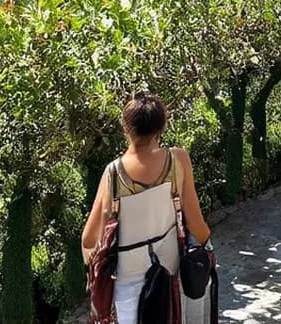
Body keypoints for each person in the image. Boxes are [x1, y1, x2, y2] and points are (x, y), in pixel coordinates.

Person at [81, 93, 211, 323]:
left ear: (125, 127)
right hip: (168, 285)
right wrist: (206, 248)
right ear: (162, 126)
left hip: (126, 292)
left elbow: (89, 240)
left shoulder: (113, 173)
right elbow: (195, 224)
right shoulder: (178, 160)